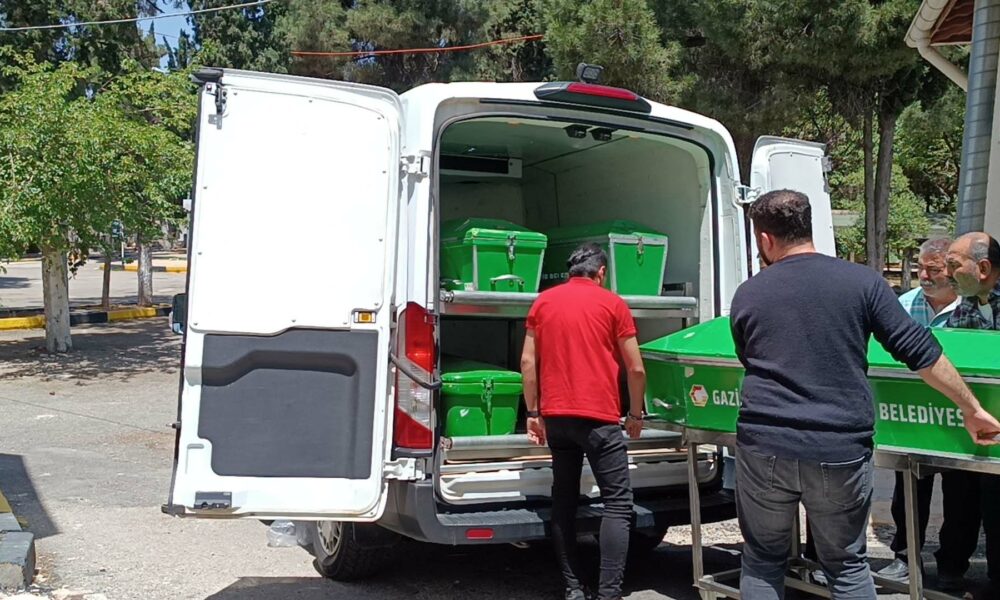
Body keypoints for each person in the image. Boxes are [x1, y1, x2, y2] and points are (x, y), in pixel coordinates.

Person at [729, 190, 1000, 600]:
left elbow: (747, 358)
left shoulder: (749, 293)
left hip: (765, 443)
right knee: (846, 566)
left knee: (763, 562)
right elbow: (921, 352)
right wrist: (972, 407)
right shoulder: (863, 283)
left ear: (765, 239)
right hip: (839, 446)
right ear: (808, 227)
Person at [521, 242, 646, 600]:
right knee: (618, 504)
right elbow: (636, 368)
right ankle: (609, 594)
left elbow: (528, 362)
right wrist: (635, 413)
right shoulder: (613, 304)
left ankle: (574, 588)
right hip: (599, 419)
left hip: (557, 418)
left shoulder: (543, 302)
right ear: (601, 272)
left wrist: (533, 413)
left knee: (564, 501)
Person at [878, 238, 962, 584]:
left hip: (958, 416)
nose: (924, 276)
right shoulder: (903, 305)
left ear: (951, 270)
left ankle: (952, 566)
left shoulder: (969, 306)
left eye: (933, 269)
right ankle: (905, 557)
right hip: (914, 416)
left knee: (961, 495)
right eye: (920, 268)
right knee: (908, 491)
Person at [939, 232, 1000, 597]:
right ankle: (950, 568)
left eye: (953, 265)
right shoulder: (963, 308)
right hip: (970, 424)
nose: (947, 274)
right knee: (959, 494)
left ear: (984, 268)